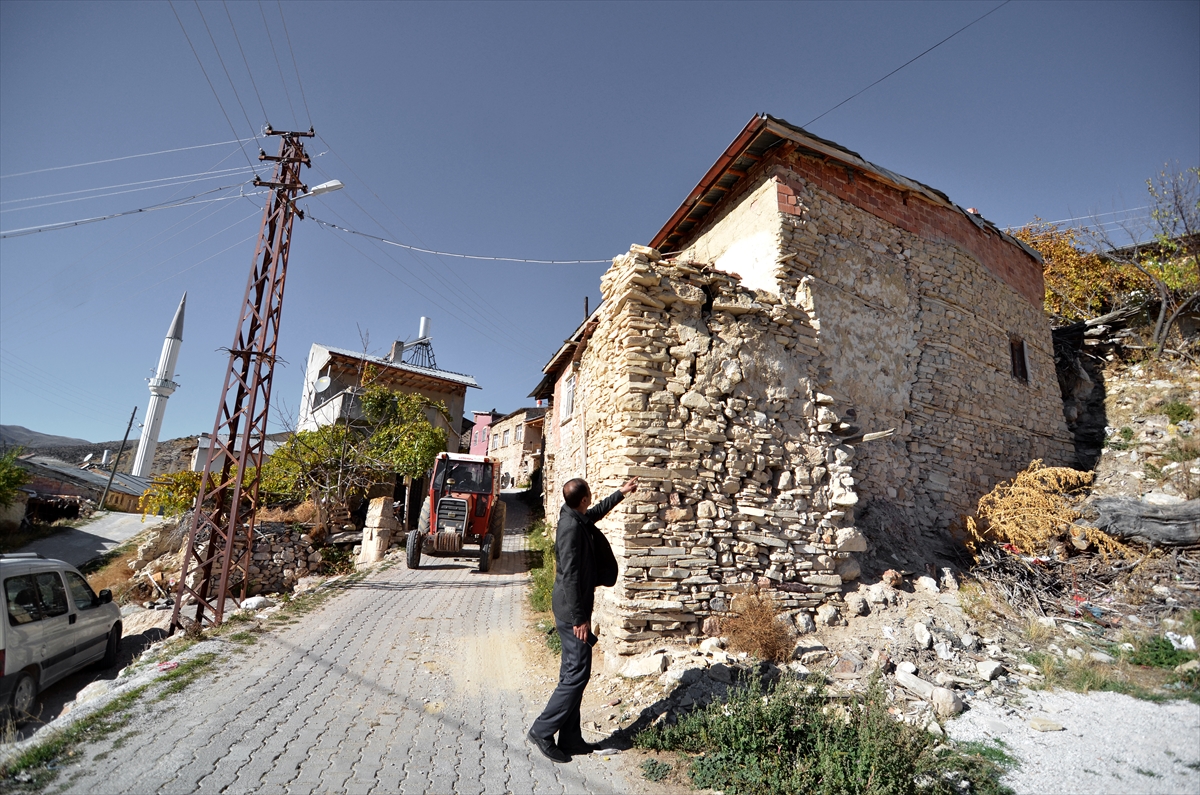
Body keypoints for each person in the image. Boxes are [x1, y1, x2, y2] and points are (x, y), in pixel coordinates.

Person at [527, 475, 638, 763]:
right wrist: (579, 619)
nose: (592, 500)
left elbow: (595, 513)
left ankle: (571, 738)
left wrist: (621, 493)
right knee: (577, 674)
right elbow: (571, 578)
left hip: (573, 609)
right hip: (571, 611)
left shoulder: (575, 516)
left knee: (572, 672)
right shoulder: (569, 529)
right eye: (590, 495)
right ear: (583, 499)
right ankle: (541, 730)